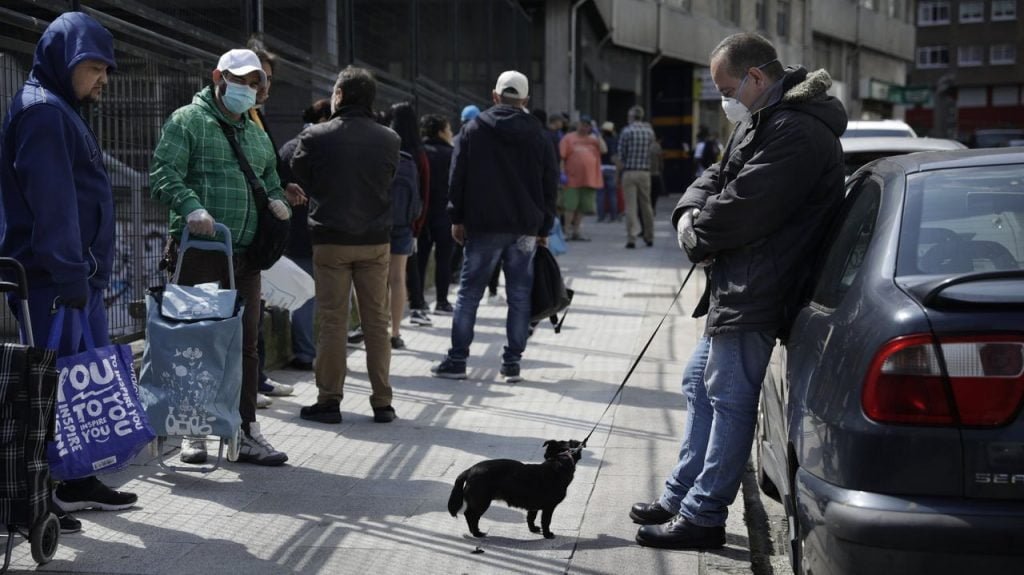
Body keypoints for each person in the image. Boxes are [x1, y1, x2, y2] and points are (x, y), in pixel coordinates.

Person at [631, 32, 846, 550]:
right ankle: (683, 494)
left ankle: (703, 516)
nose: (724, 100)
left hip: (760, 283)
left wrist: (697, 235)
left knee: (726, 396)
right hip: (742, 280)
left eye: (727, 87)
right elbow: (716, 175)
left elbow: (747, 200)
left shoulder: (795, 129)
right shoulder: (767, 118)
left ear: (755, 77)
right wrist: (687, 213)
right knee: (697, 383)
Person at [0, 11, 137, 533]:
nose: (103, 78)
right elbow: (53, 205)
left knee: (73, 386)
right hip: (55, 281)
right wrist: (71, 274)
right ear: (65, 60)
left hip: (70, 278)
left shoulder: (59, 109)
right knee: (49, 388)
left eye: (106, 68)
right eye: (95, 67)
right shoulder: (44, 114)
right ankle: (40, 493)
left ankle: (75, 481)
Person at [150, 48, 291, 466]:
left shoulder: (255, 131)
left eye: (254, 83)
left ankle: (246, 431)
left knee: (246, 347)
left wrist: (279, 201)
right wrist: (191, 206)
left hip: (245, 257)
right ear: (218, 76)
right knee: (195, 342)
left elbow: (269, 179)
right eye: (240, 80)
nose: (247, 89)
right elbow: (162, 174)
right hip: (201, 255)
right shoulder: (187, 121)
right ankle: (193, 433)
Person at [430, 70, 557, 383]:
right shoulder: (539, 134)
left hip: (483, 225)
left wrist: (456, 218)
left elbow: (456, 177)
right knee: (519, 294)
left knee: (469, 293)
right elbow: (549, 183)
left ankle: (457, 360)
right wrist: (545, 227)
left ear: (495, 95)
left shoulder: (473, 129)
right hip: (525, 227)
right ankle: (511, 364)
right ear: (525, 100)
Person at [291, 66, 400, 425]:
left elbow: (301, 174)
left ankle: (329, 400)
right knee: (376, 322)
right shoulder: (389, 139)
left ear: (338, 95)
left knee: (334, 321)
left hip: (330, 239)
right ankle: (383, 402)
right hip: (375, 241)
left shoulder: (316, 136)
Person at [247, 42, 295, 402]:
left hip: (260, 228)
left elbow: (267, 167)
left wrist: (282, 186)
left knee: (256, 309)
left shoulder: (256, 115)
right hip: (239, 229)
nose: (265, 84)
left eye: (270, 78)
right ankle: (249, 383)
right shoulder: (232, 117)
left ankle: (257, 378)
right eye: (259, 76)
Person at [278, 98, 332, 370]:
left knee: (302, 297)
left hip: (296, 234)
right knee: (333, 298)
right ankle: (330, 354)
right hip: (329, 233)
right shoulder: (330, 148)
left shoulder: (288, 148)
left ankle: (305, 354)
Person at [386, 102, 425, 350]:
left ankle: (378, 328)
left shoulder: (382, 145)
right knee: (398, 278)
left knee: (376, 279)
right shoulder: (417, 154)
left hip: (376, 223)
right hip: (404, 223)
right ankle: (396, 331)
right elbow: (424, 194)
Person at [418, 113, 456, 314]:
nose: (451, 133)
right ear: (441, 132)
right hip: (445, 213)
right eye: (449, 129)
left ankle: (418, 301)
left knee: (420, 258)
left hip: (421, 214)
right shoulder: (451, 154)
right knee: (443, 259)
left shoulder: (419, 152)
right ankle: (442, 301)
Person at [448, 104, 481, 285]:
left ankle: (452, 272)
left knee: (455, 244)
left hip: (454, 202)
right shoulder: (479, 142)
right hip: (473, 205)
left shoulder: (454, 140)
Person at [558, 115, 604, 241]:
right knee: (570, 207)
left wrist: (597, 135)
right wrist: (562, 173)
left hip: (588, 179)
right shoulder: (568, 138)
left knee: (582, 208)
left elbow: (604, 150)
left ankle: (577, 231)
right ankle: (566, 231)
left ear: (590, 127)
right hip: (571, 180)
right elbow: (562, 157)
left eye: (587, 125)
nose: (584, 127)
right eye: (582, 124)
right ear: (578, 124)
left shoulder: (593, 139)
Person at [617, 105, 656, 248]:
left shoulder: (626, 131)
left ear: (632, 117)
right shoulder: (649, 131)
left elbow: (621, 155)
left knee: (630, 207)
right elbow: (652, 152)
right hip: (645, 172)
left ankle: (631, 238)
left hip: (629, 171)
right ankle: (649, 236)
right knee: (646, 205)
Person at [598, 121, 619, 223]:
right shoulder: (615, 140)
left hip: (601, 167)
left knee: (600, 194)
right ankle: (613, 216)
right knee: (612, 194)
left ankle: (601, 216)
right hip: (612, 168)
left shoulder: (600, 140)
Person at [648, 136, 665, 215]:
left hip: (646, 172)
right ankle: (653, 208)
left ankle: (648, 208)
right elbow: (660, 158)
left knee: (648, 193)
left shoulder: (646, 145)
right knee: (655, 193)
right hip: (655, 173)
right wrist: (661, 167)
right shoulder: (657, 146)